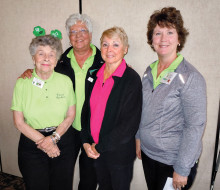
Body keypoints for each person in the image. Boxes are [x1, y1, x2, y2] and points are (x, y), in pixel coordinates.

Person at [20, 14, 103, 190]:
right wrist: (30, 71)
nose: (78, 35)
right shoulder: (60, 61)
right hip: (67, 131)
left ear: (90, 34)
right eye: (73, 32)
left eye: (83, 30)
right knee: (57, 177)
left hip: (93, 131)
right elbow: (43, 67)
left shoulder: (104, 61)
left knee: (89, 179)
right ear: (68, 36)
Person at [135, 7, 207, 190]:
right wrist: (139, 138)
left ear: (179, 38)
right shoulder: (148, 71)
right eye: (158, 33)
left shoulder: (190, 77)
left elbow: (194, 126)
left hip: (173, 161)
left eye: (170, 32)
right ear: (151, 39)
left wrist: (182, 169)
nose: (163, 39)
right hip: (149, 155)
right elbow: (141, 109)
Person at [11, 30, 77, 190]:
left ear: (56, 60)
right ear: (33, 58)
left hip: (62, 142)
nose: (46, 58)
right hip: (32, 144)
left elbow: (70, 115)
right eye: (41, 54)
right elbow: (18, 122)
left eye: (51, 54)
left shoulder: (65, 81)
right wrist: (45, 143)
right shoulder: (22, 83)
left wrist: (53, 139)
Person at [81, 26, 142, 190]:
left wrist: (98, 146)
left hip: (118, 155)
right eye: (105, 44)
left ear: (125, 49)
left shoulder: (131, 79)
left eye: (116, 44)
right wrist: (86, 141)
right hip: (94, 150)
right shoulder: (93, 74)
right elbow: (86, 110)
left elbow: (129, 125)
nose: (109, 49)